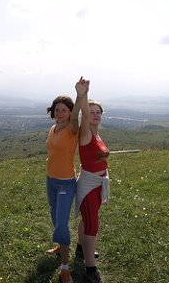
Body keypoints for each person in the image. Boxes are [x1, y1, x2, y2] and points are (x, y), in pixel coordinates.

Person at [45, 77, 89, 283]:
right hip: (50, 180)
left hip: (65, 182)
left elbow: (76, 117)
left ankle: (65, 267)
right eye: (57, 109)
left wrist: (80, 94)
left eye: (64, 109)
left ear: (70, 112)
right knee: (55, 216)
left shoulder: (72, 129)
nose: (60, 112)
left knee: (61, 223)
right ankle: (61, 245)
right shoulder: (53, 129)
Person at [74, 90, 110, 283]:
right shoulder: (86, 132)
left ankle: (81, 249)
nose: (95, 114)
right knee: (92, 225)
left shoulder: (96, 134)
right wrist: (83, 94)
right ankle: (90, 270)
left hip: (97, 185)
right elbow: (85, 115)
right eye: (91, 112)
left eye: (98, 112)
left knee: (87, 220)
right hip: (89, 186)